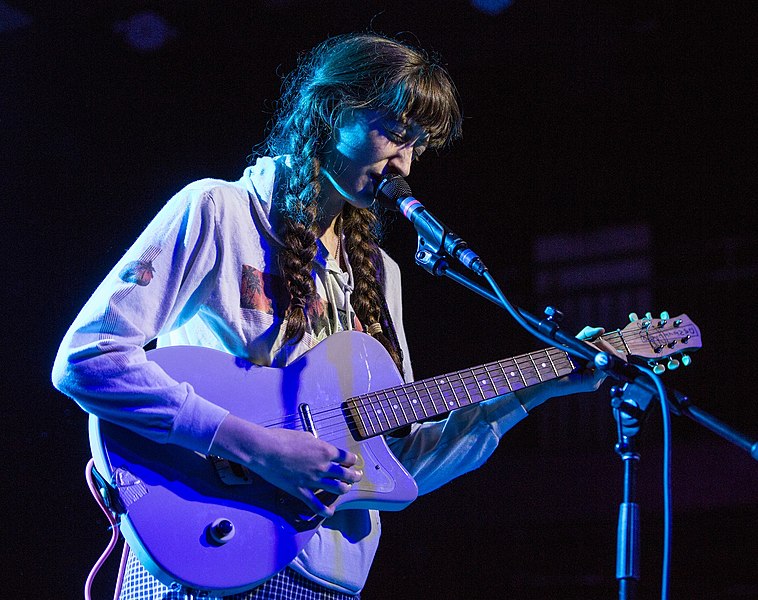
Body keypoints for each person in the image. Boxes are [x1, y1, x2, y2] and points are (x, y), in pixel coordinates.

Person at [52, 32, 608, 600]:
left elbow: (397, 464)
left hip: (330, 581)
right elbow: (87, 359)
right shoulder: (219, 211)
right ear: (331, 109)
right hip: (207, 555)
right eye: (395, 132)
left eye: (418, 145)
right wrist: (260, 448)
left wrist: (536, 389)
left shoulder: (381, 274)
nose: (405, 162)